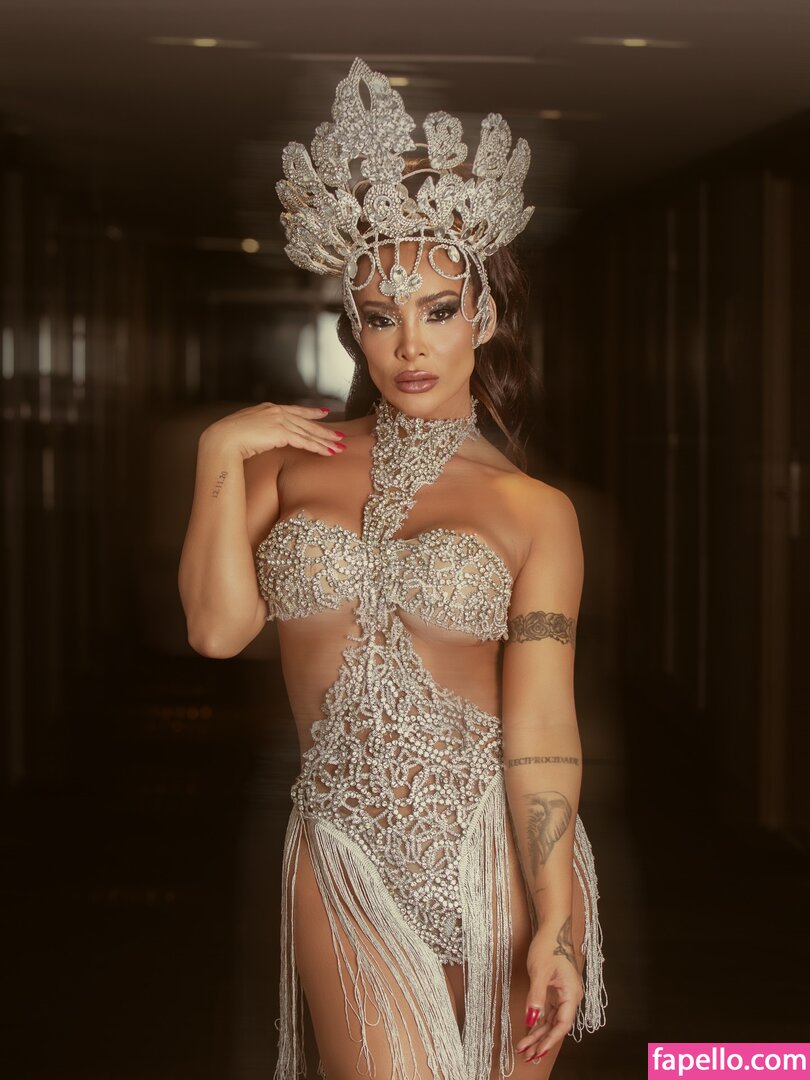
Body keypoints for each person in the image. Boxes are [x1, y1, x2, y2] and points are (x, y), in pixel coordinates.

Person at [178, 57, 607, 1079]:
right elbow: (216, 629)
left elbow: (543, 728)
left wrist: (556, 919)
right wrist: (217, 452)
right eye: (381, 316)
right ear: (356, 328)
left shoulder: (535, 513)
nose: (410, 344)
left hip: (495, 858)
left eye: (438, 310)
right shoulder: (288, 467)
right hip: (342, 852)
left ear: (484, 318)